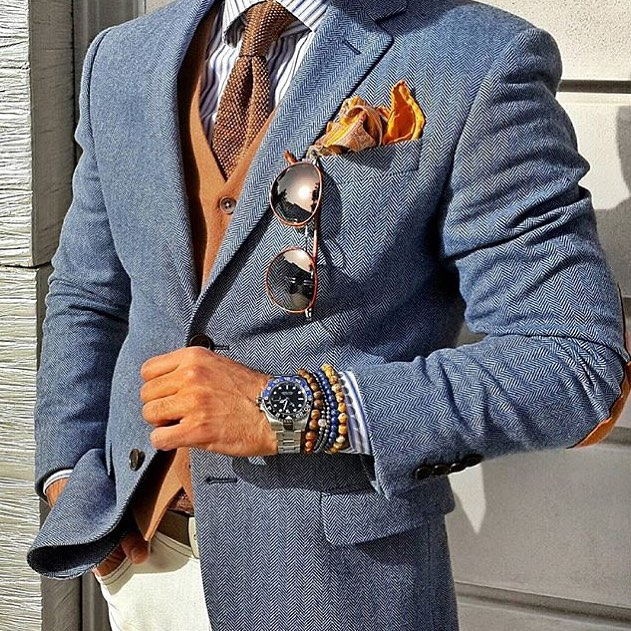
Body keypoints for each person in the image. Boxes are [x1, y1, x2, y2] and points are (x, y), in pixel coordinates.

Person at [27, 0, 631, 628]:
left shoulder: (480, 60)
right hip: (143, 562)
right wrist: (69, 478)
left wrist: (291, 412)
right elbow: (89, 296)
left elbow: (572, 365)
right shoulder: (124, 58)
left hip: (339, 588)